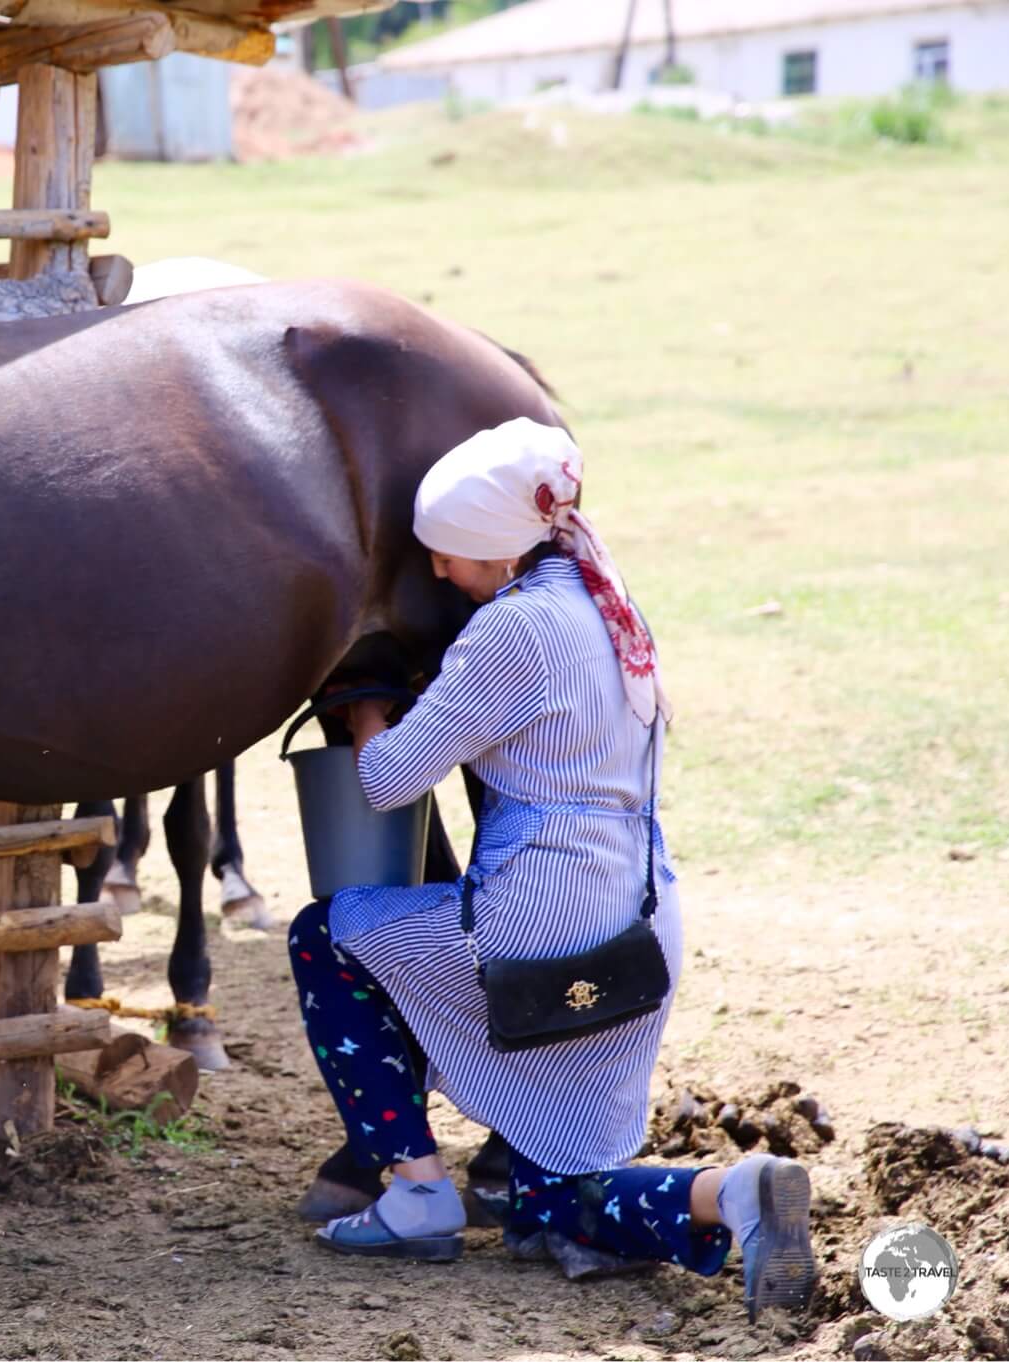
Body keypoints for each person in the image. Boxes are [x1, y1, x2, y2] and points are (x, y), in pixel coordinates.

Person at [286, 417, 815, 1322]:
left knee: (325, 935)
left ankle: (415, 1191)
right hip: (640, 919)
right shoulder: (608, 601)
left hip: (537, 923)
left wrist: (369, 706)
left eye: (448, 555)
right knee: (549, 1200)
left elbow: (386, 781)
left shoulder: (513, 633)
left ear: (495, 549)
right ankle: (733, 1192)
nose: (442, 573)